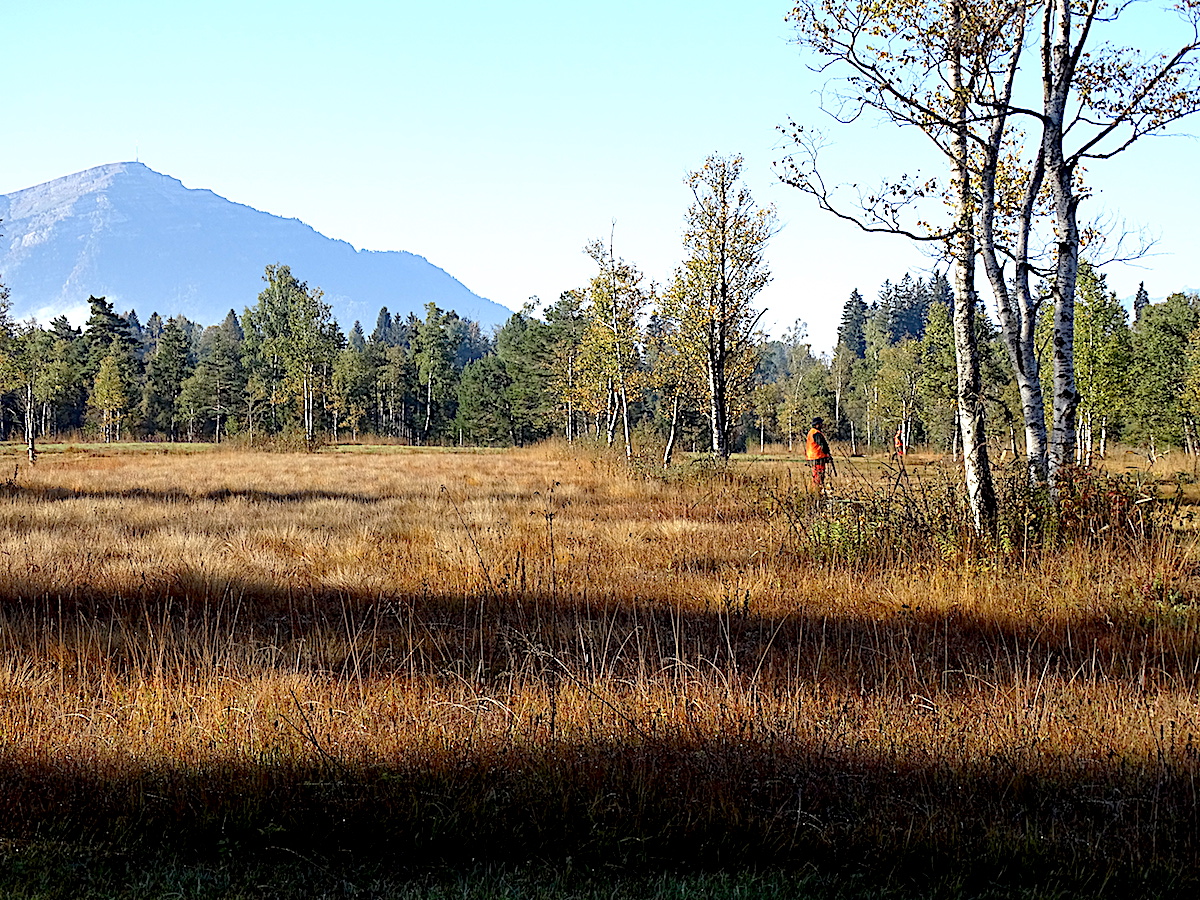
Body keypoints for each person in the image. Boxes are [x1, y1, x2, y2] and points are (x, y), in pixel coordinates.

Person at [806, 417, 834, 490]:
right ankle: (817, 493)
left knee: (816, 477)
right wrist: (827, 455)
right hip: (817, 458)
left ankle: (816, 492)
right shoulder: (816, 433)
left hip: (812, 457)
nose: (822, 425)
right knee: (819, 477)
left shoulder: (811, 432)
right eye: (821, 423)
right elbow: (822, 445)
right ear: (817, 425)